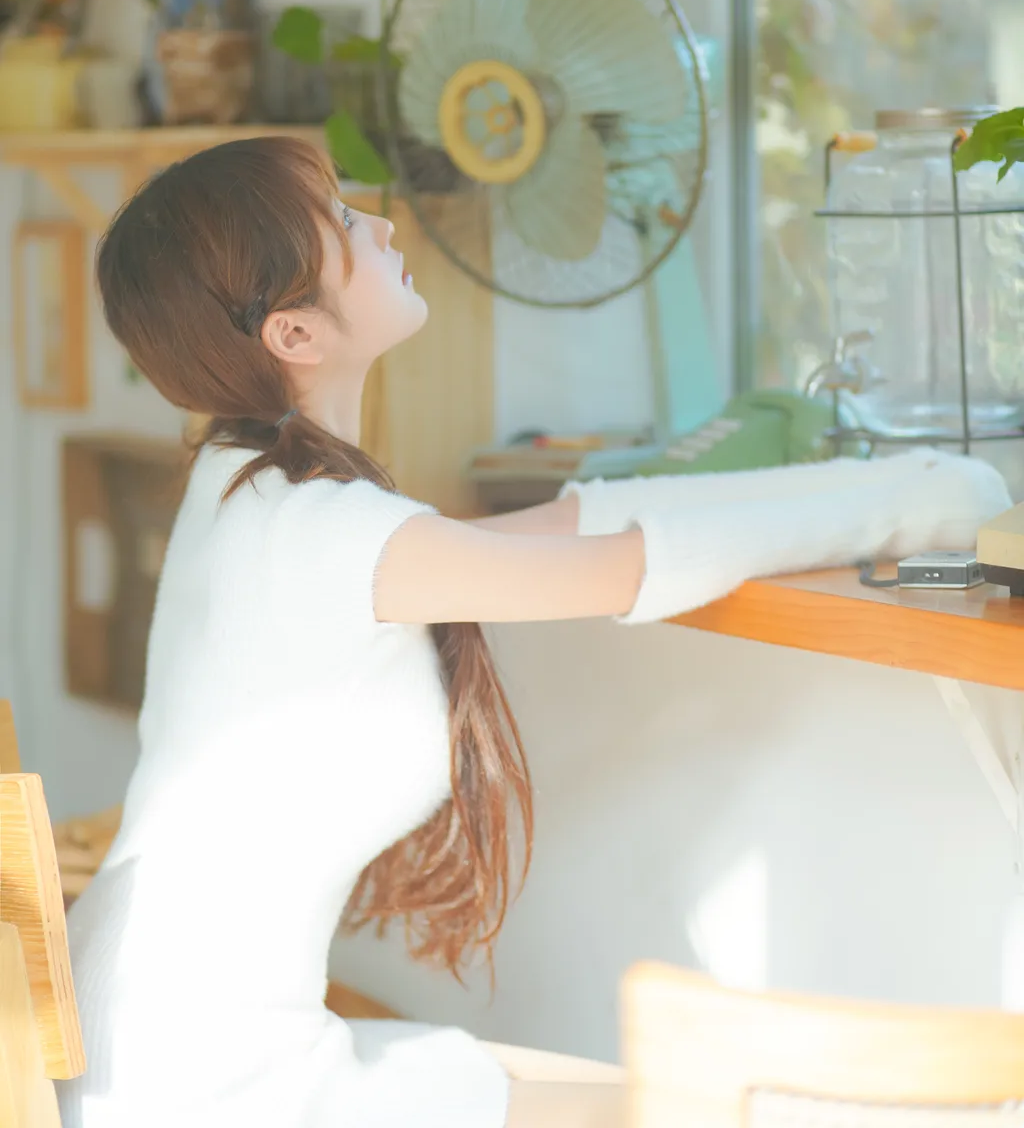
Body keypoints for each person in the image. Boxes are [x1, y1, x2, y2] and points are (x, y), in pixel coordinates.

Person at [57, 137, 1010, 1128]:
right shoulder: (324, 530)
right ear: (294, 331)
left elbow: (562, 528)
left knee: (643, 1101)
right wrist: (902, 504)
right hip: (203, 1075)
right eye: (342, 221)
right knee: (679, 1107)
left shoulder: (249, 487)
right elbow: (622, 565)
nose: (381, 222)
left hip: (147, 1031)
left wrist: (896, 488)